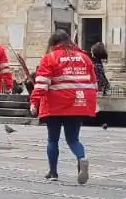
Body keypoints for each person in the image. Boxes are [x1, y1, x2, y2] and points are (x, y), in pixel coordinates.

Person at [23, 30, 98, 184]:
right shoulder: (85, 58)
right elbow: (94, 84)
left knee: (53, 139)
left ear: (52, 43)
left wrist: (34, 102)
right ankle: (81, 158)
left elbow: (42, 84)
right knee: (73, 139)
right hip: (79, 103)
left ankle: (53, 172)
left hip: (55, 104)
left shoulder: (50, 58)